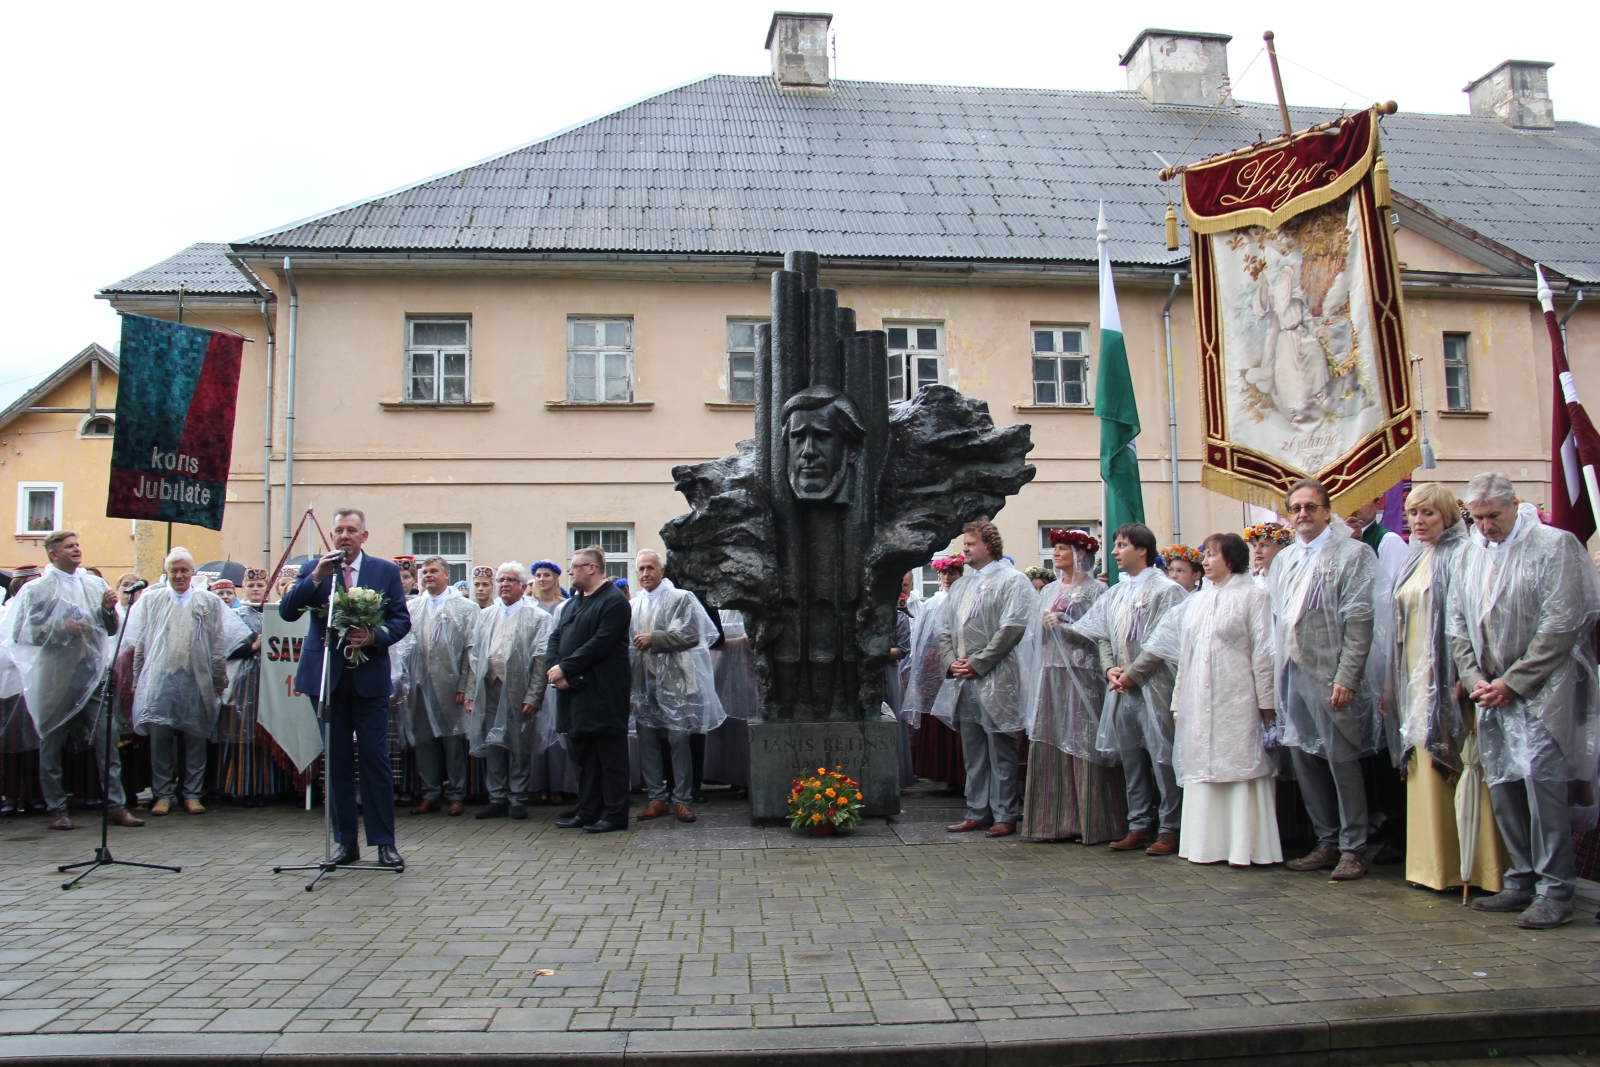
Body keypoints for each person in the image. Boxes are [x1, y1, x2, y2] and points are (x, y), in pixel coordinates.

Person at [1449, 473, 1600, 928]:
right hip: (1490, 690)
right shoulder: (1470, 551)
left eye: (1494, 515)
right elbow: (1457, 621)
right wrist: (1474, 677)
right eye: (1477, 518)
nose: (1487, 526)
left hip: (1543, 687)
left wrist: (1514, 681)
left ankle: (1556, 889)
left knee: (1542, 786)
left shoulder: (1555, 546)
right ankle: (1521, 876)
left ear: (1515, 504)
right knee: (1504, 783)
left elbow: (1562, 623)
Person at [1391, 481, 1507, 894]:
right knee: (1423, 763)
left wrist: (1465, 671)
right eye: (1412, 514)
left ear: (1447, 515)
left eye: (1428, 514)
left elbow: (1473, 617)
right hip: (1415, 677)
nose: (1418, 522)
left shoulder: (1464, 555)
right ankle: (1431, 865)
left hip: (1449, 677)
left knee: (1461, 766)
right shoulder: (1413, 558)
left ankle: (1476, 867)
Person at [279, 507, 411, 869]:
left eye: (352, 530)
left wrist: (373, 636)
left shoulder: (383, 571)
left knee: (374, 759)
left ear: (363, 536)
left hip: (368, 680)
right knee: (336, 762)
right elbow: (287, 612)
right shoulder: (314, 568)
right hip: (326, 679)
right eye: (339, 530)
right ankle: (345, 842)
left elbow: (401, 619)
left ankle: (384, 843)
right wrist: (315, 578)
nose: (344, 536)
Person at [1270, 477, 1386, 882]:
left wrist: (1348, 675)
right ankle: (1327, 839)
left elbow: (1360, 621)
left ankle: (1354, 847)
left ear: (1327, 511)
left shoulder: (1353, 554)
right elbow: (1277, 620)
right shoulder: (1284, 560)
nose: (1303, 513)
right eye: (1296, 507)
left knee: (1341, 759)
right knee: (1303, 758)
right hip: (1292, 671)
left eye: (1311, 507)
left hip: (1332, 672)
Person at [10, 532, 142, 830]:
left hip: (90, 676)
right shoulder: (37, 589)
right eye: (69, 546)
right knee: (51, 743)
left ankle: (115, 805)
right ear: (53, 554)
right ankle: (57, 809)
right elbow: (20, 632)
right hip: (54, 678)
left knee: (106, 736)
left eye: (78, 544)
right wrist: (60, 627)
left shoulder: (93, 584)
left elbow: (108, 629)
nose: (77, 549)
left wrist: (108, 610)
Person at [1164, 533, 1280, 866]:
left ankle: (1246, 847)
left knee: (1240, 762)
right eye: (1204, 554)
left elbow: (1264, 652)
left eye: (1212, 554)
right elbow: (1186, 655)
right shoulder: (1197, 600)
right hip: (1198, 697)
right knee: (1202, 763)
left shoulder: (1254, 597)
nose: (1205, 560)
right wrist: (1178, 701)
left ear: (1231, 559)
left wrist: (1266, 701)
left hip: (1238, 695)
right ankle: (1205, 845)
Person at [1076, 523, 1187, 855]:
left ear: (1142, 549)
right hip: (1121, 686)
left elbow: (1163, 642)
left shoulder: (1166, 591)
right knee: (1131, 757)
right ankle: (1138, 823)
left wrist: (1134, 673)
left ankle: (1171, 827)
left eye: (1121, 545)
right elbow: (1102, 635)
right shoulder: (1116, 592)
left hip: (1155, 685)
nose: (1114, 552)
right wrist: (1110, 668)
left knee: (1162, 757)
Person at [934, 520, 1038, 838]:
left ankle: (1006, 813)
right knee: (974, 750)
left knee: (1001, 749)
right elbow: (944, 627)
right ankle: (977, 810)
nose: (964, 548)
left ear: (989, 546)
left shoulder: (1013, 581)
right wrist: (951, 663)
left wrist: (979, 662)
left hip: (998, 677)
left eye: (971, 543)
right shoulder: (962, 585)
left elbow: (1013, 627)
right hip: (963, 680)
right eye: (964, 543)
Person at [1023, 529, 1127, 843]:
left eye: (1062, 548)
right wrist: (1042, 626)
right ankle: (1053, 821)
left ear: (1080, 554)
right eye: (1053, 548)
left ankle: (1091, 820)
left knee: (1083, 738)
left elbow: (1100, 633)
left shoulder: (1099, 590)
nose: (1055, 553)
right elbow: (1033, 634)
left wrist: (1065, 626)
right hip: (1051, 670)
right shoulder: (1049, 589)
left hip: (1082, 672)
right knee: (1052, 739)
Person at [129, 548, 229, 815]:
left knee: (196, 736)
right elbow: (142, 641)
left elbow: (217, 642)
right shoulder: (153, 600)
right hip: (161, 677)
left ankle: (192, 793)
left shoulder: (207, 601)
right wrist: (138, 678)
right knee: (160, 737)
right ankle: (162, 794)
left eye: (184, 570)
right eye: (174, 570)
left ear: (192, 573)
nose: (179, 575)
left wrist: (219, 677)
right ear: (166, 572)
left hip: (196, 677)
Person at [629, 549, 724, 823]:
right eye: (641, 569)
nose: (646, 573)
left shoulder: (681, 598)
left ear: (662, 570)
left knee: (679, 738)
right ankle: (657, 797)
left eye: (651, 568)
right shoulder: (634, 605)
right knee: (646, 738)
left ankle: (682, 799)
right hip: (643, 680)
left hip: (675, 679)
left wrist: (656, 639)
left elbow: (693, 634)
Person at [548, 545, 633, 833]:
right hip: (572, 692)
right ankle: (587, 810)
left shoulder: (614, 602)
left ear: (592, 568)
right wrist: (555, 670)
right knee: (583, 758)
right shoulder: (572, 604)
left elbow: (600, 643)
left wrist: (566, 668)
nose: (570, 572)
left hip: (604, 693)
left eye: (574, 567)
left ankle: (615, 815)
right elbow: (555, 637)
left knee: (610, 758)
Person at [466, 562, 552, 820]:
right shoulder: (485, 615)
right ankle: (496, 797)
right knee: (492, 742)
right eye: (501, 579)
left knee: (518, 743)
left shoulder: (537, 617)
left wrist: (534, 695)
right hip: (490, 686)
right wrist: (471, 692)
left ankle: (517, 797)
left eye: (511, 580)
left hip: (518, 689)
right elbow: (473, 656)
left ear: (524, 586)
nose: (505, 584)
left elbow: (541, 660)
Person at [404, 555, 478, 817]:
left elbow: (472, 651)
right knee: (422, 740)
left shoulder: (465, 608)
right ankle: (430, 792)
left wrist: (465, 687)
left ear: (447, 575)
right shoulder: (411, 607)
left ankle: (456, 794)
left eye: (433, 571)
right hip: (419, 683)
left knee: (453, 741)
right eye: (424, 571)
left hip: (450, 684)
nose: (427, 575)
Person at [906, 554, 966, 789]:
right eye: (943, 574)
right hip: (934, 663)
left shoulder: (966, 599)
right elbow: (920, 639)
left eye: (952, 573)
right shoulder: (931, 604)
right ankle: (946, 774)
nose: (947, 578)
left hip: (959, 661)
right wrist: (919, 674)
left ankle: (963, 774)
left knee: (960, 716)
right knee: (937, 718)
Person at [1347, 498, 1408, 586]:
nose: (1356, 504)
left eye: (1363, 497)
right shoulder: (1334, 539)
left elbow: (1389, 590)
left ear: (1376, 506)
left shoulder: (1389, 540)